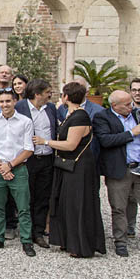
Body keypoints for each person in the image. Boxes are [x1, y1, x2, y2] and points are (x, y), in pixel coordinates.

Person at [93, 89, 140, 259]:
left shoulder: (139, 114)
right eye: (126, 104)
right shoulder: (103, 117)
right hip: (119, 169)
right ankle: (120, 240)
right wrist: (130, 133)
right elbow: (105, 140)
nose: (131, 106)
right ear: (114, 106)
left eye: (131, 103)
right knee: (119, 208)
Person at [40, 82, 104, 258]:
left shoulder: (80, 117)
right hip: (69, 167)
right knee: (67, 204)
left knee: (78, 204)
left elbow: (70, 144)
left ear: (66, 97)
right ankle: (69, 241)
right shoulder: (73, 114)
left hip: (79, 167)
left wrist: (45, 142)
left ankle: (80, 245)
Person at [0, 89, 35, 256]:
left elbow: (29, 149)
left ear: (14, 101)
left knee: (23, 208)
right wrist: (2, 167)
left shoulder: (25, 121)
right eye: (1, 102)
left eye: (8, 101)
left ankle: (27, 241)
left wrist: (10, 165)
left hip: (18, 169)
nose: (5, 104)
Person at [15, 79, 58, 249]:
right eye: (48, 92)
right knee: (27, 197)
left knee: (43, 197)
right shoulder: (20, 107)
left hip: (46, 158)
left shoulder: (52, 108)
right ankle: (26, 231)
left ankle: (38, 233)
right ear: (37, 94)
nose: (50, 95)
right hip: (28, 160)